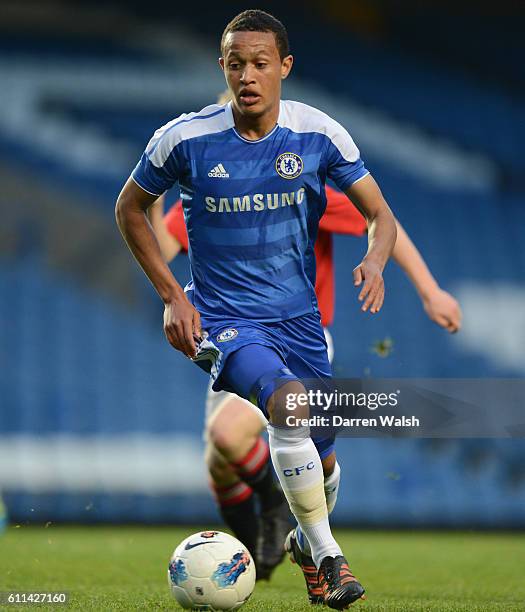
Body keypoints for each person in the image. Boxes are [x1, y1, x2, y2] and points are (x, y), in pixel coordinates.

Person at [116, 9, 400, 608]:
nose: (247, 75)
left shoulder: (320, 134)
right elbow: (129, 209)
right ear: (223, 66)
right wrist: (172, 295)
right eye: (236, 63)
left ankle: (305, 539)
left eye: (260, 64)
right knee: (286, 406)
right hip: (222, 319)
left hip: (300, 323)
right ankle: (329, 558)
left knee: (323, 467)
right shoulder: (185, 139)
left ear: (284, 68)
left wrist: (375, 261)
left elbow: (380, 214)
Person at [148, 186, 461, 593]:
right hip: (233, 332)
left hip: (297, 338)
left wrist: (429, 290)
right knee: (220, 460)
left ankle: (291, 524)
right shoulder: (217, 187)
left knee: (236, 436)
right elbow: (165, 248)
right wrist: (155, 203)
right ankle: (261, 555)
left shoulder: (300, 184)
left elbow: (382, 219)